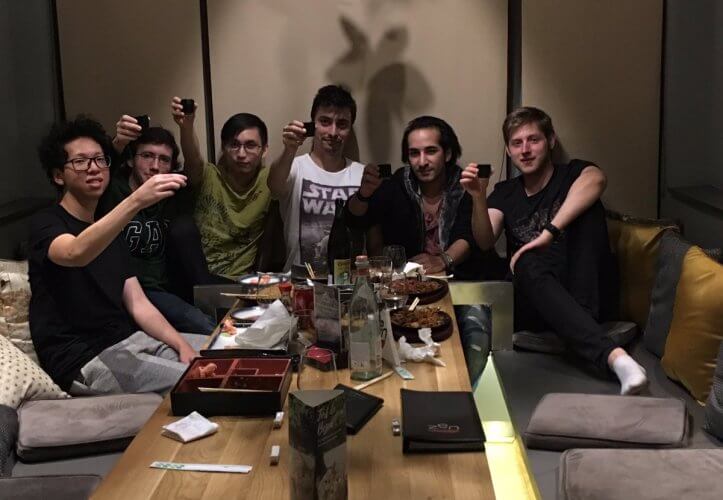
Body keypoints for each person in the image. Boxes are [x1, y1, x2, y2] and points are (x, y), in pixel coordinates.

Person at [461, 106, 648, 395]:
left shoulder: (573, 173)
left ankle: (579, 325)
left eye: (533, 140)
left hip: (585, 291)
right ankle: (615, 358)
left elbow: (597, 180)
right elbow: (485, 240)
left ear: (551, 141)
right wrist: (478, 197)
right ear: (508, 150)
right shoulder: (506, 191)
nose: (525, 150)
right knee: (524, 261)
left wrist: (550, 232)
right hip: (535, 299)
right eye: (516, 143)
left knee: (589, 210)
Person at [29, 116, 206, 394]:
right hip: (85, 358)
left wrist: (181, 345)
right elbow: (75, 252)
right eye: (80, 161)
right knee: (201, 383)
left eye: (100, 159)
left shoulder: (110, 227)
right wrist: (136, 200)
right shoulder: (47, 222)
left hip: (131, 340)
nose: (94, 168)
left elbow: (138, 303)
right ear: (58, 175)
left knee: (223, 353)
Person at [346, 115, 501, 381]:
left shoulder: (464, 185)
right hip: (408, 290)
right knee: (382, 341)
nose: (422, 161)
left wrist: (445, 259)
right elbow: (357, 219)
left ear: (447, 153)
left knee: (476, 339)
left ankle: (460, 393)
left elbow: (473, 239)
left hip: (461, 284)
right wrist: (364, 194)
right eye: (414, 153)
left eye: (431, 151)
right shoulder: (398, 184)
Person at [97, 118, 216, 334]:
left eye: (164, 160)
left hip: (166, 286)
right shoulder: (112, 189)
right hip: (127, 288)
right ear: (131, 160)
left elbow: (195, 168)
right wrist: (118, 143)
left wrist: (186, 125)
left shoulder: (171, 192)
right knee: (202, 324)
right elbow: (103, 166)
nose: (155, 167)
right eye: (147, 156)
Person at [171, 97, 272, 277]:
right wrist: (187, 126)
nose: (241, 154)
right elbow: (193, 157)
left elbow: (286, 172)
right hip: (196, 277)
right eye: (234, 145)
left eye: (250, 145)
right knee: (182, 227)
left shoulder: (269, 180)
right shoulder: (208, 175)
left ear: (264, 150)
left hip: (237, 282)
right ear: (224, 148)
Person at [267, 85, 364, 271]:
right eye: (325, 121)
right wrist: (289, 149)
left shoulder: (362, 175)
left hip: (349, 281)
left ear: (350, 129)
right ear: (313, 124)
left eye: (342, 124)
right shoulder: (294, 167)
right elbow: (274, 185)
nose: (333, 132)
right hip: (298, 281)